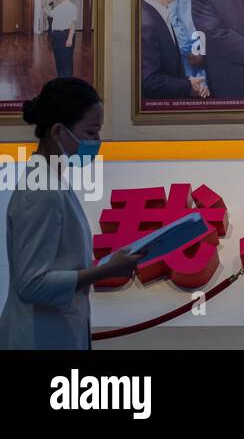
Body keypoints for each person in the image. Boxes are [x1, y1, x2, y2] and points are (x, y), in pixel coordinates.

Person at [0, 79, 143, 349]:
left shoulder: (52, 181)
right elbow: (32, 284)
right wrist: (105, 271)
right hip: (37, 337)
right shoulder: (42, 191)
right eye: (91, 132)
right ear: (58, 132)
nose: (97, 142)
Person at [140, 0, 209, 99]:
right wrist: (186, 86)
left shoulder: (157, 14)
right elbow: (149, 81)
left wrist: (188, 82)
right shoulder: (147, 23)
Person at [46, 0, 78, 78]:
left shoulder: (72, 6)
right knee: (59, 59)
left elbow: (73, 23)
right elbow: (51, 14)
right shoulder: (59, 6)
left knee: (66, 60)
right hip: (56, 35)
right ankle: (61, 79)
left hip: (65, 35)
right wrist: (45, 8)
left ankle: (67, 83)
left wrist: (70, 39)